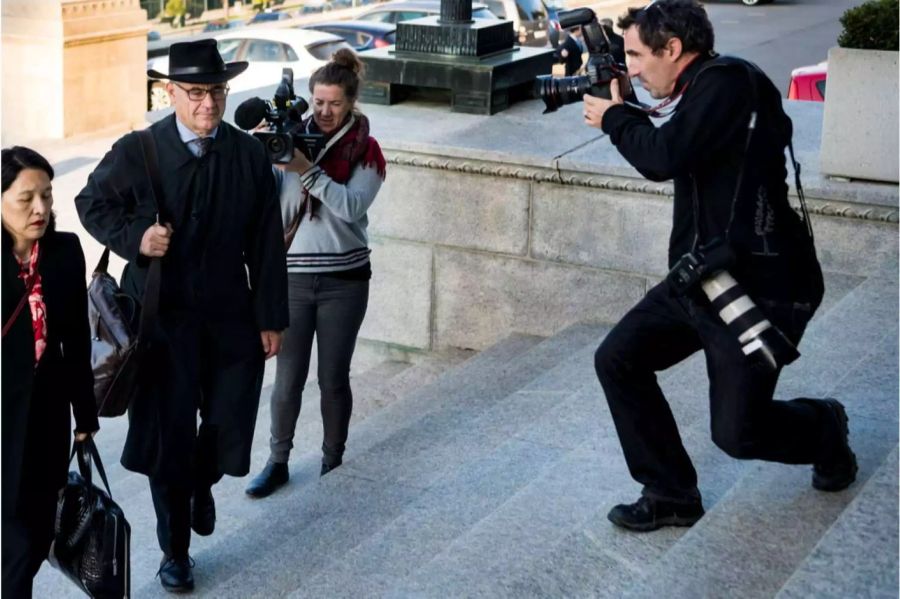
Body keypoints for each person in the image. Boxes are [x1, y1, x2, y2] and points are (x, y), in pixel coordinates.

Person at [583, 0, 856, 532]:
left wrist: (614, 117)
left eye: (637, 55)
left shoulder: (726, 84)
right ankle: (670, 492)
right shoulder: (699, 90)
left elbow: (662, 158)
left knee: (739, 434)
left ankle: (824, 426)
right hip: (700, 275)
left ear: (673, 49)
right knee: (618, 358)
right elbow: (672, 147)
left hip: (757, 286)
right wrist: (626, 109)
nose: (633, 68)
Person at [75, 40, 288, 592]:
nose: (208, 105)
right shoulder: (139, 150)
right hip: (160, 326)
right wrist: (136, 239)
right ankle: (175, 554)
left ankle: (203, 479)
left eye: (217, 92)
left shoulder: (248, 156)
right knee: (169, 438)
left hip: (230, 319)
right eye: (195, 93)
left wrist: (271, 317)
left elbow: (265, 243)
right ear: (170, 92)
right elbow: (91, 203)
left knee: (229, 421)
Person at [245, 48, 385, 498]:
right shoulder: (286, 141)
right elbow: (263, 205)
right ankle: (277, 460)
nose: (324, 112)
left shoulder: (366, 150)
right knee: (287, 379)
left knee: (333, 378)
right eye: (318, 102)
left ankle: (332, 458)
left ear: (351, 103)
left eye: (335, 104)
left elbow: (350, 206)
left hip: (344, 280)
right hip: (293, 280)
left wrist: (307, 171)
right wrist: (258, 152)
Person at [2, 146, 100, 598]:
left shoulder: (62, 252)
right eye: (26, 199)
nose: (40, 208)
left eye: (46, 195)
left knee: (39, 532)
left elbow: (76, 339)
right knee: (15, 539)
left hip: (46, 415)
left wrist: (85, 417)